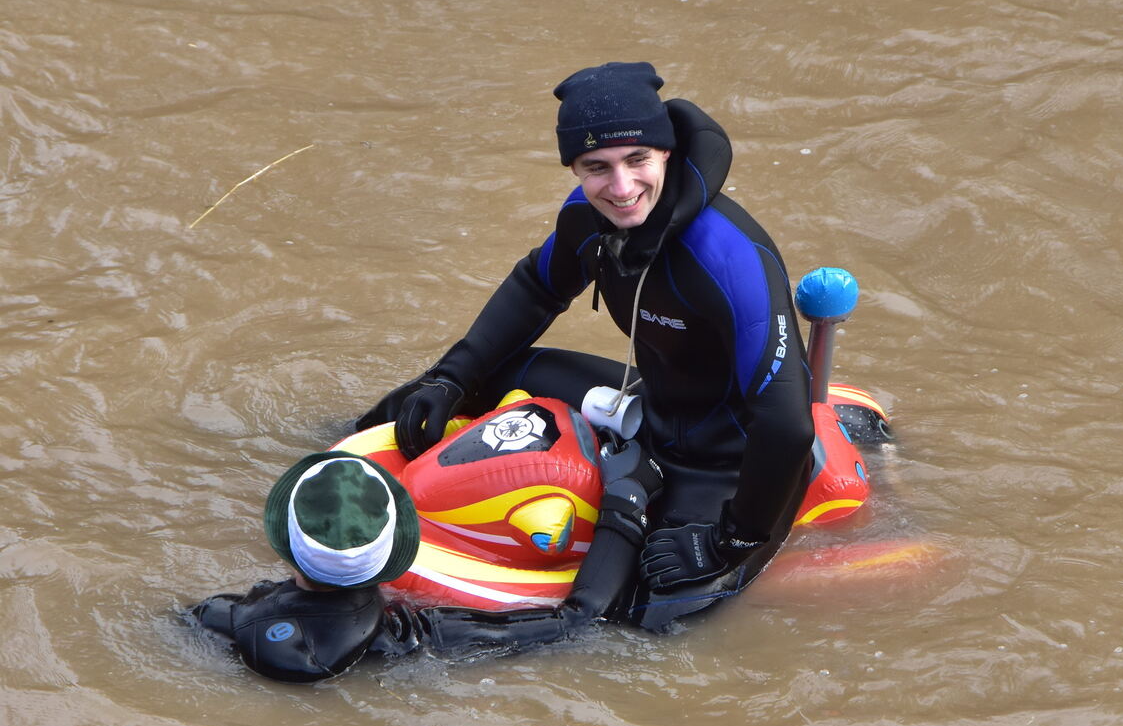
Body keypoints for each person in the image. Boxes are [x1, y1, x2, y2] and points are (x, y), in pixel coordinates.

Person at [355, 62, 814, 623]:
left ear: (666, 152)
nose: (621, 189)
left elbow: (786, 426)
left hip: (730, 463)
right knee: (458, 380)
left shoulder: (728, 256)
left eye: (638, 159)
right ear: (573, 167)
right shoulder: (587, 219)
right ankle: (332, 455)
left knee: (644, 621)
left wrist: (729, 541)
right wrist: (449, 380)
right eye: (597, 167)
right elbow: (536, 286)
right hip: (646, 409)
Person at [192, 394, 663, 683]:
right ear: (395, 550)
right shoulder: (424, 634)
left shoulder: (226, 616)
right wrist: (626, 503)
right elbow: (578, 619)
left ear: (286, 543)